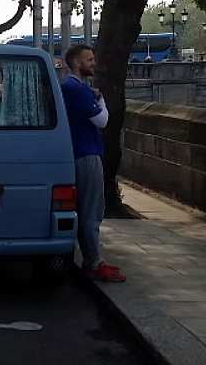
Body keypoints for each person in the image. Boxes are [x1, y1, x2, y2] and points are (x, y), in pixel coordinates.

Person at [60, 44, 125, 283]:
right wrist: (102, 99)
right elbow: (102, 121)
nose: (93, 64)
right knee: (91, 211)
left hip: (76, 152)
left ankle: (90, 258)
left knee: (83, 209)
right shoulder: (77, 89)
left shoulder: (67, 87)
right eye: (89, 60)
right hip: (86, 154)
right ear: (77, 63)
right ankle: (94, 262)